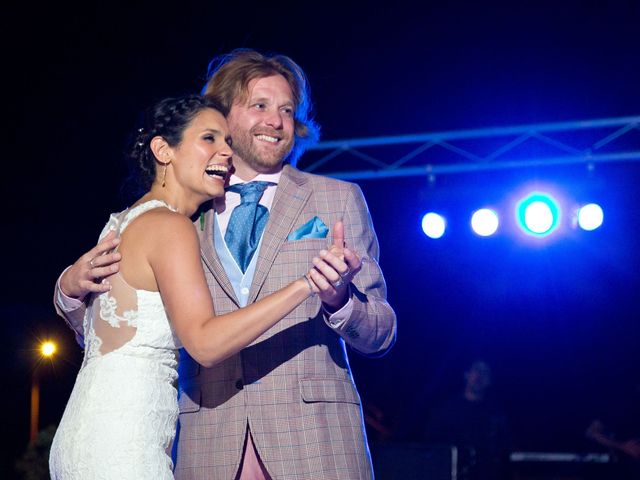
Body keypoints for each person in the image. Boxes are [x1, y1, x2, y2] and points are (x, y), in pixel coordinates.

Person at [55, 49, 397, 479]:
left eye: (287, 110)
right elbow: (110, 317)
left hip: (314, 444)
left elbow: (381, 332)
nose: (276, 121)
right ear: (222, 114)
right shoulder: (183, 209)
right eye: (260, 106)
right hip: (208, 442)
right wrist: (68, 286)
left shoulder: (336, 198)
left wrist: (340, 299)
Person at [421, 360, 511, 480]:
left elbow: (505, 447)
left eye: (485, 372)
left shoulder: (495, 413)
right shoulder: (447, 409)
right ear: (466, 374)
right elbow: (431, 444)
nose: (479, 375)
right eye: (476, 370)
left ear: (490, 380)